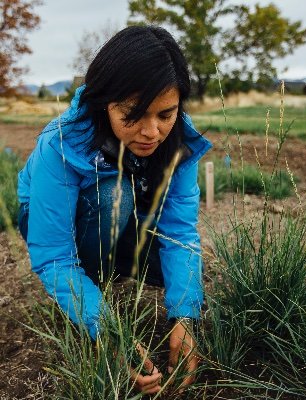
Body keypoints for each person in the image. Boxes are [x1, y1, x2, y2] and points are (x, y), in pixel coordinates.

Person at [17, 25, 212, 395]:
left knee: (182, 280)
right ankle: (90, 284)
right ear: (104, 102)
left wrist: (185, 316)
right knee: (114, 194)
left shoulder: (180, 143)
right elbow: (53, 254)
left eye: (165, 114)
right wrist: (107, 330)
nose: (152, 132)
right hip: (62, 226)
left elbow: (179, 234)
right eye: (133, 114)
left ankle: (110, 271)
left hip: (126, 222)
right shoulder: (60, 144)